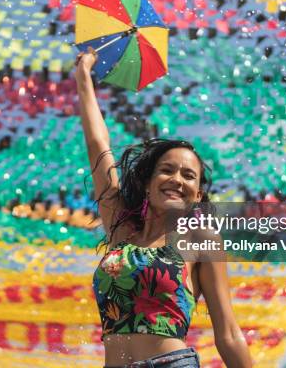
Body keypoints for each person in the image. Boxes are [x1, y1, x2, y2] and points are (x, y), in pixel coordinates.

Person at [75, 47, 253, 368]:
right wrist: (83, 78)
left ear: (197, 195)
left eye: (188, 176)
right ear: (148, 182)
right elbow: (98, 147)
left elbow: (227, 332)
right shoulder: (122, 231)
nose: (176, 179)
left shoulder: (201, 241)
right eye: (167, 170)